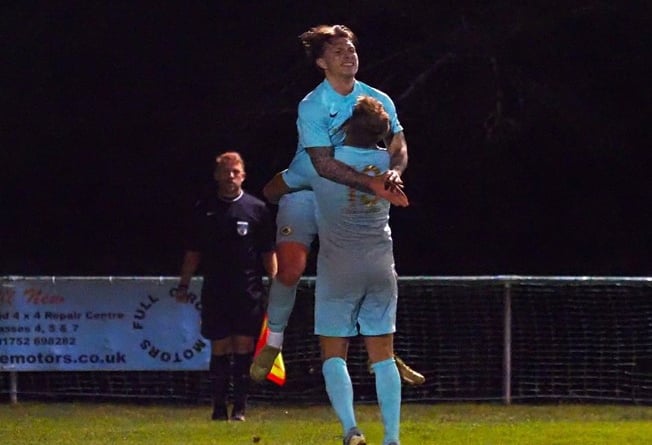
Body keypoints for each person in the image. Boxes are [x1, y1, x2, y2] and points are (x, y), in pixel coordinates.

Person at [250, 24, 424, 388]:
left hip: (348, 196)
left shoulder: (378, 99)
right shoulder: (313, 105)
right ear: (320, 62)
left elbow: (399, 146)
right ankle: (273, 342)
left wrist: (393, 171)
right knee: (291, 269)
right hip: (311, 188)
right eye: (338, 51)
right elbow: (321, 165)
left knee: (362, 273)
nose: (349, 55)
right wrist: (373, 182)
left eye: (352, 50)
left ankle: (385, 351)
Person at [271, 96, 403, 445]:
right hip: (381, 264)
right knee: (383, 355)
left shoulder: (323, 164)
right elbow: (400, 148)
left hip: (339, 266)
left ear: (345, 126)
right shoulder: (386, 160)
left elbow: (274, 189)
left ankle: (350, 429)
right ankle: (392, 438)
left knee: (333, 353)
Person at [174, 151, 277, 422]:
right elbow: (193, 252)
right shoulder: (204, 208)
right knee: (219, 348)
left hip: (247, 291)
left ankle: (240, 408)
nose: (230, 177)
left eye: (235, 172)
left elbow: (268, 252)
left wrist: (276, 285)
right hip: (215, 290)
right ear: (216, 175)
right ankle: (218, 408)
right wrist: (183, 284)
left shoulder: (257, 209)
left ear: (243, 175)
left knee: (243, 348)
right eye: (225, 172)